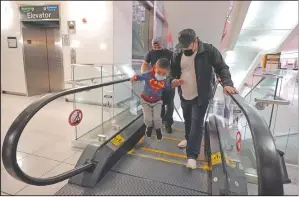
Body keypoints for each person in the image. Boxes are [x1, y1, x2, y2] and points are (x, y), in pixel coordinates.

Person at [170, 29, 238, 169]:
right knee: (188, 120)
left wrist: (227, 84)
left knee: (197, 123)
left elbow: (221, 67)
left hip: (201, 95)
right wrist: (173, 80)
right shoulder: (178, 53)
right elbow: (173, 71)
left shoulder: (208, 50)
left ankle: (192, 155)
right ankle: (189, 140)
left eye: (188, 45)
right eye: (183, 46)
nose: (185, 48)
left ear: (196, 41)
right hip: (184, 93)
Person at [131, 58, 174, 140]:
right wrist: (135, 77)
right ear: (154, 67)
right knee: (148, 118)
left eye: (164, 74)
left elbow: (168, 87)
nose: (161, 75)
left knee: (157, 118)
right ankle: (149, 127)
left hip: (157, 101)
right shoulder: (149, 75)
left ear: (168, 72)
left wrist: (173, 85)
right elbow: (140, 76)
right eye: (158, 72)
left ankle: (158, 130)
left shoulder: (166, 80)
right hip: (145, 100)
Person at [141, 38, 175, 133]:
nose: (156, 48)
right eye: (154, 46)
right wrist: (145, 76)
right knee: (159, 102)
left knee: (170, 103)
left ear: (162, 44)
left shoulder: (169, 53)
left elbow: (175, 66)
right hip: (156, 83)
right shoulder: (150, 53)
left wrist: (171, 77)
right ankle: (159, 123)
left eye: (158, 46)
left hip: (168, 82)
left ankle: (168, 124)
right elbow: (144, 64)